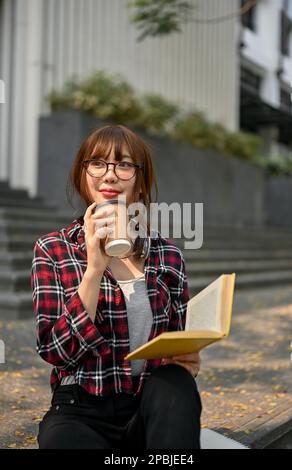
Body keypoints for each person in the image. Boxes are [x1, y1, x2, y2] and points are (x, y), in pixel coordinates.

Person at [31, 124, 202, 449]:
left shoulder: (168, 256)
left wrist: (187, 361)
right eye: (97, 162)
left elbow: (174, 344)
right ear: (83, 175)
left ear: (139, 181)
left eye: (124, 164)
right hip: (79, 409)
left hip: (148, 407)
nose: (110, 175)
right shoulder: (53, 249)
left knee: (176, 382)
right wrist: (94, 268)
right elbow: (56, 353)